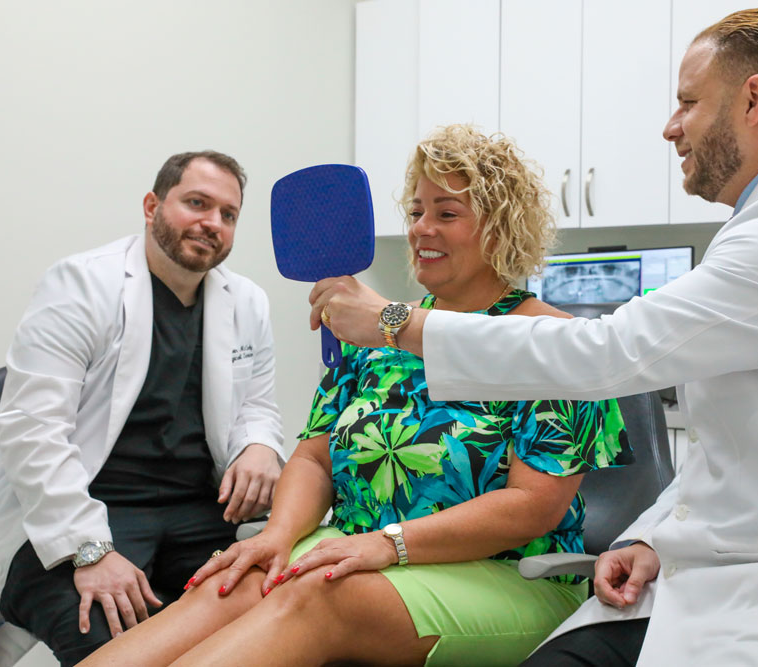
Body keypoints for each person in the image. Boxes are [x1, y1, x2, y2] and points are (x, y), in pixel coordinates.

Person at [310, 8, 758, 666]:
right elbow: (737, 458)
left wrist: (394, 322)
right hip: (726, 583)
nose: (671, 127)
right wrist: (655, 539)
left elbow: (606, 353)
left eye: (688, 103)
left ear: (754, 99)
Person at [77, 124, 629, 667]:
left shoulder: (555, 346)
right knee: (237, 578)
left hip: (508, 574)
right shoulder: (379, 334)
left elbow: (531, 507)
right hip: (359, 548)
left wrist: (390, 544)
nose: (421, 230)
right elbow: (315, 457)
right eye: (416, 212)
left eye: (447, 213)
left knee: (319, 593)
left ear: (501, 228)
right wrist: (278, 535)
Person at [0, 151, 286, 666]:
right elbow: (33, 431)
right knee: (112, 641)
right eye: (196, 203)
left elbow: (258, 404)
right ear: (152, 206)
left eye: (228, 214)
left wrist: (260, 445)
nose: (211, 222)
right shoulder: (81, 285)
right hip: (82, 510)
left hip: (196, 516)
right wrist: (90, 551)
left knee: (272, 622)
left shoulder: (247, 302)